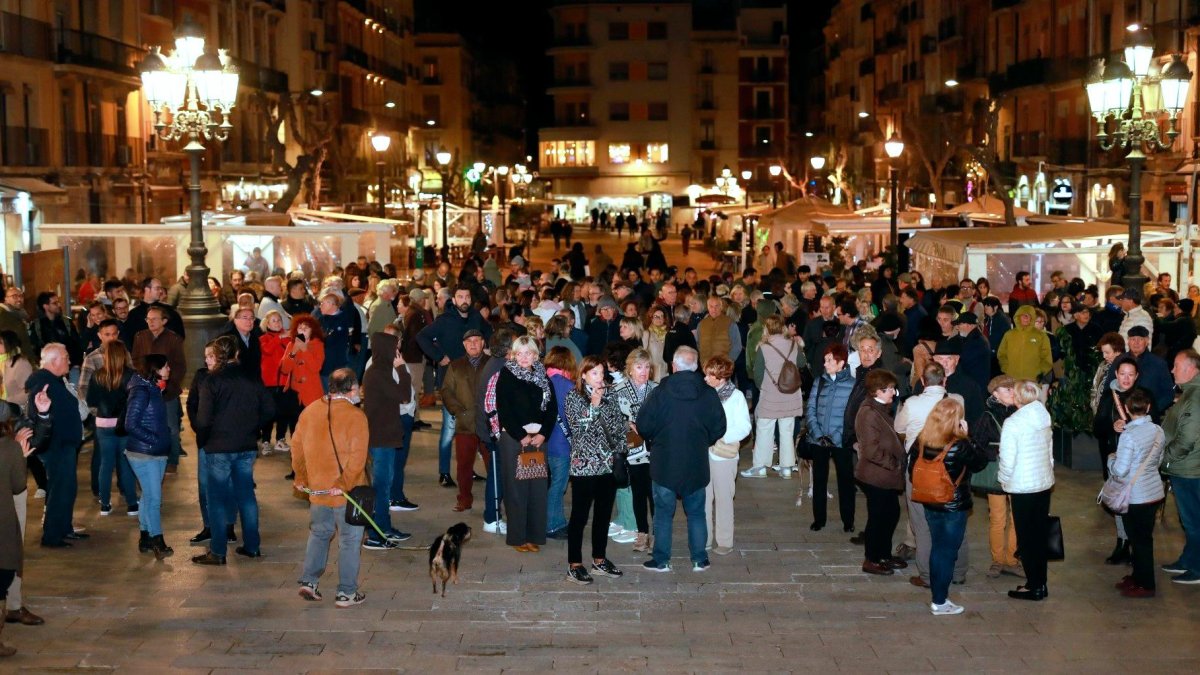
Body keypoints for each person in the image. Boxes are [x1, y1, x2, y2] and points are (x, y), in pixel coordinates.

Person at [636, 346, 726, 572]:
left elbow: (643, 425)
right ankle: (699, 558)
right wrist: (703, 439)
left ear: (673, 366)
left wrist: (656, 438)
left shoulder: (660, 392)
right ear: (696, 367)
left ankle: (661, 560)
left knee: (663, 514)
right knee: (696, 513)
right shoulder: (707, 393)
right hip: (695, 463)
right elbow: (719, 426)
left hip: (665, 463)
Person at [192, 336, 275, 565]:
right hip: (246, 445)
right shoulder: (251, 377)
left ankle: (218, 552)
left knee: (216, 500)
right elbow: (269, 409)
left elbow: (203, 419)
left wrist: (204, 440)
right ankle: (252, 546)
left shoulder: (212, 381)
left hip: (218, 447)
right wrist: (253, 428)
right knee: (246, 496)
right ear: (237, 354)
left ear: (217, 355)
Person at [291, 367, 369, 607]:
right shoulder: (356, 416)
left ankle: (309, 581)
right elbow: (358, 457)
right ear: (353, 389)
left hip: (317, 490)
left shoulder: (310, 411)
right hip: (348, 492)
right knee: (349, 539)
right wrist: (343, 483)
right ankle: (346, 592)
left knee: (319, 533)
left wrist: (302, 477)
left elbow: (296, 448)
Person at [912, 398, 988, 615]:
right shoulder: (960, 444)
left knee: (937, 548)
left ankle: (938, 596)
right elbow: (980, 462)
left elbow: (911, 469)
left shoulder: (921, 441)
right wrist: (968, 435)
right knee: (946, 552)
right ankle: (939, 601)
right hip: (953, 506)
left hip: (929, 501)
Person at [417, 286, 494, 488]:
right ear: (454, 299)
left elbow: (490, 332)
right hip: (450, 383)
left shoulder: (476, 317)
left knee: (473, 430)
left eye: (467, 295)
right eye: (460, 296)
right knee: (449, 429)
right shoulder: (444, 320)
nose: (464, 299)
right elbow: (421, 337)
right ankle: (444, 472)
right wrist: (439, 357)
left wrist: (486, 348)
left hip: (476, 382)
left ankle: (468, 470)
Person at [562, 355, 627, 584]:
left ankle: (599, 560)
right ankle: (574, 564)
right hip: (584, 466)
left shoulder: (611, 395)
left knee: (603, 515)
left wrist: (620, 454)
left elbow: (619, 427)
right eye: (594, 373)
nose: (600, 378)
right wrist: (594, 406)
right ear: (583, 375)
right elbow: (577, 430)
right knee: (579, 516)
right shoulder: (574, 396)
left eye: (601, 373)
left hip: (607, 465)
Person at [0, 394, 53, 652]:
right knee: (9, 551)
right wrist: (17, 456)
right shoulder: (9, 446)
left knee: (11, 551)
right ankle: (11, 606)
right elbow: (18, 483)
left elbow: (38, 438)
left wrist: (43, 415)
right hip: (8, 496)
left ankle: (13, 605)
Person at [495, 335, 557, 552]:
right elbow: (504, 409)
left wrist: (543, 434)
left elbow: (552, 409)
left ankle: (534, 535)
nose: (523, 357)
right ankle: (517, 537)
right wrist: (521, 435)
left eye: (528, 353)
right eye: (519, 353)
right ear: (513, 354)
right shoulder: (506, 375)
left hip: (539, 438)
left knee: (537, 489)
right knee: (516, 489)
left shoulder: (543, 376)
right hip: (514, 438)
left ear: (535, 355)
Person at [998, 379, 1055, 600]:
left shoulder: (1014, 422)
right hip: (1042, 483)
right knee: (1039, 536)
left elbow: (1007, 459)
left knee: (1026, 539)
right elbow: (1049, 452)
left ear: (1017, 397)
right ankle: (1041, 582)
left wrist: (1003, 481)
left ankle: (1034, 586)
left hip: (1022, 487)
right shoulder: (1043, 415)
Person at [360, 329, 415, 550]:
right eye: (394, 347)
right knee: (381, 487)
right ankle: (376, 533)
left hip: (387, 436)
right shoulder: (377, 372)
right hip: (380, 439)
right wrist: (402, 369)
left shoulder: (380, 370)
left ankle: (384, 527)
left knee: (384, 485)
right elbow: (405, 394)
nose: (397, 352)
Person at [1110, 388, 1166, 597]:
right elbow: (1158, 460)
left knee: (1139, 540)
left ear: (1126, 408)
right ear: (1149, 407)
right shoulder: (1158, 431)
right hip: (1153, 492)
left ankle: (1146, 584)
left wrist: (1111, 460)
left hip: (1136, 496)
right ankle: (1138, 576)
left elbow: (1121, 470)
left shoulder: (1129, 435)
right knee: (1143, 538)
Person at [27, 344, 85, 548]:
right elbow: (39, 417)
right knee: (59, 490)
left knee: (67, 489)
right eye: (66, 357)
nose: (69, 361)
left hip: (65, 445)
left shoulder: (55, 381)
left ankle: (64, 528)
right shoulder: (43, 384)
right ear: (54, 361)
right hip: (56, 447)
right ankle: (52, 536)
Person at [969, 375, 1023, 579]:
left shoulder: (1021, 412)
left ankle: (1012, 559)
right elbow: (977, 445)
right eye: (1006, 389)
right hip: (996, 473)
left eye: (1012, 389)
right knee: (997, 517)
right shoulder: (986, 416)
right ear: (995, 394)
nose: (1011, 392)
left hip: (1019, 471)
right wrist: (995, 453)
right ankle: (998, 560)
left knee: (1017, 517)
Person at [854, 369, 906, 576]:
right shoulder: (868, 413)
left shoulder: (881, 408)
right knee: (878, 517)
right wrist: (894, 464)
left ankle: (884, 554)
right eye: (890, 389)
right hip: (876, 475)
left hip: (884, 475)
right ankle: (872, 559)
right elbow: (871, 450)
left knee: (891, 514)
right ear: (877, 391)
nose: (893, 392)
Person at [124, 353, 173, 560]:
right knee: (154, 499)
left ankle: (145, 536)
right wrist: (153, 439)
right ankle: (157, 540)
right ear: (156, 369)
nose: (169, 369)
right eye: (166, 366)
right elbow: (130, 423)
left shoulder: (153, 388)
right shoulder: (142, 391)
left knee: (147, 495)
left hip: (155, 451)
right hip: (145, 453)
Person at [744, 315, 805, 478]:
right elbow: (801, 363)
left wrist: (763, 387)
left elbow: (757, 374)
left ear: (767, 328)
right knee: (787, 429)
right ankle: (786, 467)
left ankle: (760, 467)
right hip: (791, 393)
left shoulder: (764, 347)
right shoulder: (793, 343)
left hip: (770, 394)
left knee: (764, 428)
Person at [702, 355, 752, 556]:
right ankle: (703, 539)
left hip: (724, 454)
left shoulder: (736, 396)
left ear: (721, 377)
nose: (705, 378)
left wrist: (720, 437)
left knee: (724, 498)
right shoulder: (704, 394)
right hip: (704, 454)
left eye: (709, 375)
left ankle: (724, 541)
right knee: (703, 498)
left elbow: (745, 427)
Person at [804, 343, 856, 532]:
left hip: (841, 440)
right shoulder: (820, 381)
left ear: (841, 363)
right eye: (825, 360)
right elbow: (810, 408)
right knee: (819, 480)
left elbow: (852, 416)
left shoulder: (852, 385)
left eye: (829, 360)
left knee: (845, 481)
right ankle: (819, 519)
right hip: (819, 440)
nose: (825, 364)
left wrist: (838, 435)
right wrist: (817, 433)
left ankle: (848, 521)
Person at [613, 348, 659, 552]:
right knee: (638, 492)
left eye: (647, 367)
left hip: (656, 450)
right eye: (639, 367)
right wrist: (627, 424)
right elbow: (610, 419)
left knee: (656, 493)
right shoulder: (618, 390)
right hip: (633, 450)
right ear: (629, 369)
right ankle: (642, 532)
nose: (643, 371)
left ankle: (658, 533)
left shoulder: (657, 389)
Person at [131, 305, 187, 473]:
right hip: (146, 390)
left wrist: (168, 384)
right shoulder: (141, 337)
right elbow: (135, 361)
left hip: (167, 392)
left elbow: (180, 366)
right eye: (148, 319)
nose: (150, 322)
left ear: (164, 321)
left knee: (171, 427)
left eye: (154, 319)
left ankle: (173, 460)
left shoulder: (173, 339)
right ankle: (152, 453)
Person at [85, 341, 138, 518]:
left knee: (105, 465)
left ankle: (105, 505)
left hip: (103, 425)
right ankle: (132, 505)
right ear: (123, 355)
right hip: (124, 425)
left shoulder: (97, 375)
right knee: (126, 465)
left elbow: (91, 400)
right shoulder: (131, 375)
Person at [1160, 349, 1200, 585]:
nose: (1172, 370)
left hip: (1189, 469)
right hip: (1185, 467)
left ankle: (1196, 567)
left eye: (1176, 365)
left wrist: (1166, 458)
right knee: (1189, 520)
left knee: (1193, 520)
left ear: (1191, 368)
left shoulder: (1195, 397)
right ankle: (1188, 559)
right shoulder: (1190, 392)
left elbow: (1187, 439)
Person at [442, 329, 490, 513]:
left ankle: (495, 498)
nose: (473, 344)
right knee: (463, 465)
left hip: (487, 424)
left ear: (483, 343)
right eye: (469, 341)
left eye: (476, 340)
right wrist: (458, 411)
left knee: (492, 464)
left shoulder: (491, 364)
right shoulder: (456, 366)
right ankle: (464, 499)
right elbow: (446, 391)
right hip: (465, 424)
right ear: (464, 345)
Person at [544, 347, 577, 540]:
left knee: (550, 483)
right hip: (562, 445)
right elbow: (572, 418)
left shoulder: (542, 381)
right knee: (559, 485)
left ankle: (554, 520)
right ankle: (553, 525)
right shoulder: (567, 385)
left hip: (544, 441)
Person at [259, 310, 295, 454]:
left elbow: (296, 351)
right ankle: (266, 441)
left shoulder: (288, 338)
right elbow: (267, 350)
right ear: (267, 323)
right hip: (269, 382)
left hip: (285, 381)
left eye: (279, 320)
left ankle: (280, 439)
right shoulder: (263, 339)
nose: (278, 323)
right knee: (269, 412)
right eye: (274, 320)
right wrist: (280, 337)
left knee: (283, 412)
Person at [280, 314, 326, 408]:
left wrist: (305, 350)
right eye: (300, 328)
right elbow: (285, 369)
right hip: (294, 393)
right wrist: (293, 352)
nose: (303, 330)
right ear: (296, 330)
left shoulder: (318, 345)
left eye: (307, 328)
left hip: (312, 392)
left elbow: (316, 368)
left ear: (312, 330)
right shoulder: (291, 344)